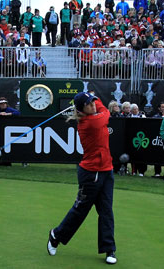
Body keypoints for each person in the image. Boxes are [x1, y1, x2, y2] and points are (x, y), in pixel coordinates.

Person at [48, 92, 117, 265]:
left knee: (106, 211)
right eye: (89, 104)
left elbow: (99, 106)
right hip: (90, 173)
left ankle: (110, 249)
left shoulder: (92, 114)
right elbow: (106, 113)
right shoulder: (90, 122)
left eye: (93, 102)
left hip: (107, 170)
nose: (93, 105)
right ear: (81, 110)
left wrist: (92, 96)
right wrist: (96, 99)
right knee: (80, 211)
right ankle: (56, 235)